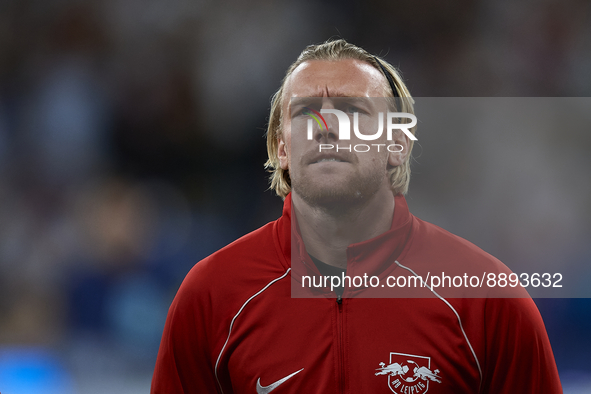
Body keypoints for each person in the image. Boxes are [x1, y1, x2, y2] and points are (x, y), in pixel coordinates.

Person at [151, 39, 562, 394]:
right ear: (281, 148)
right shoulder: (212, 295)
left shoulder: (487, 299)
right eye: (305, 113)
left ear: (398, 143)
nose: (326, 127)